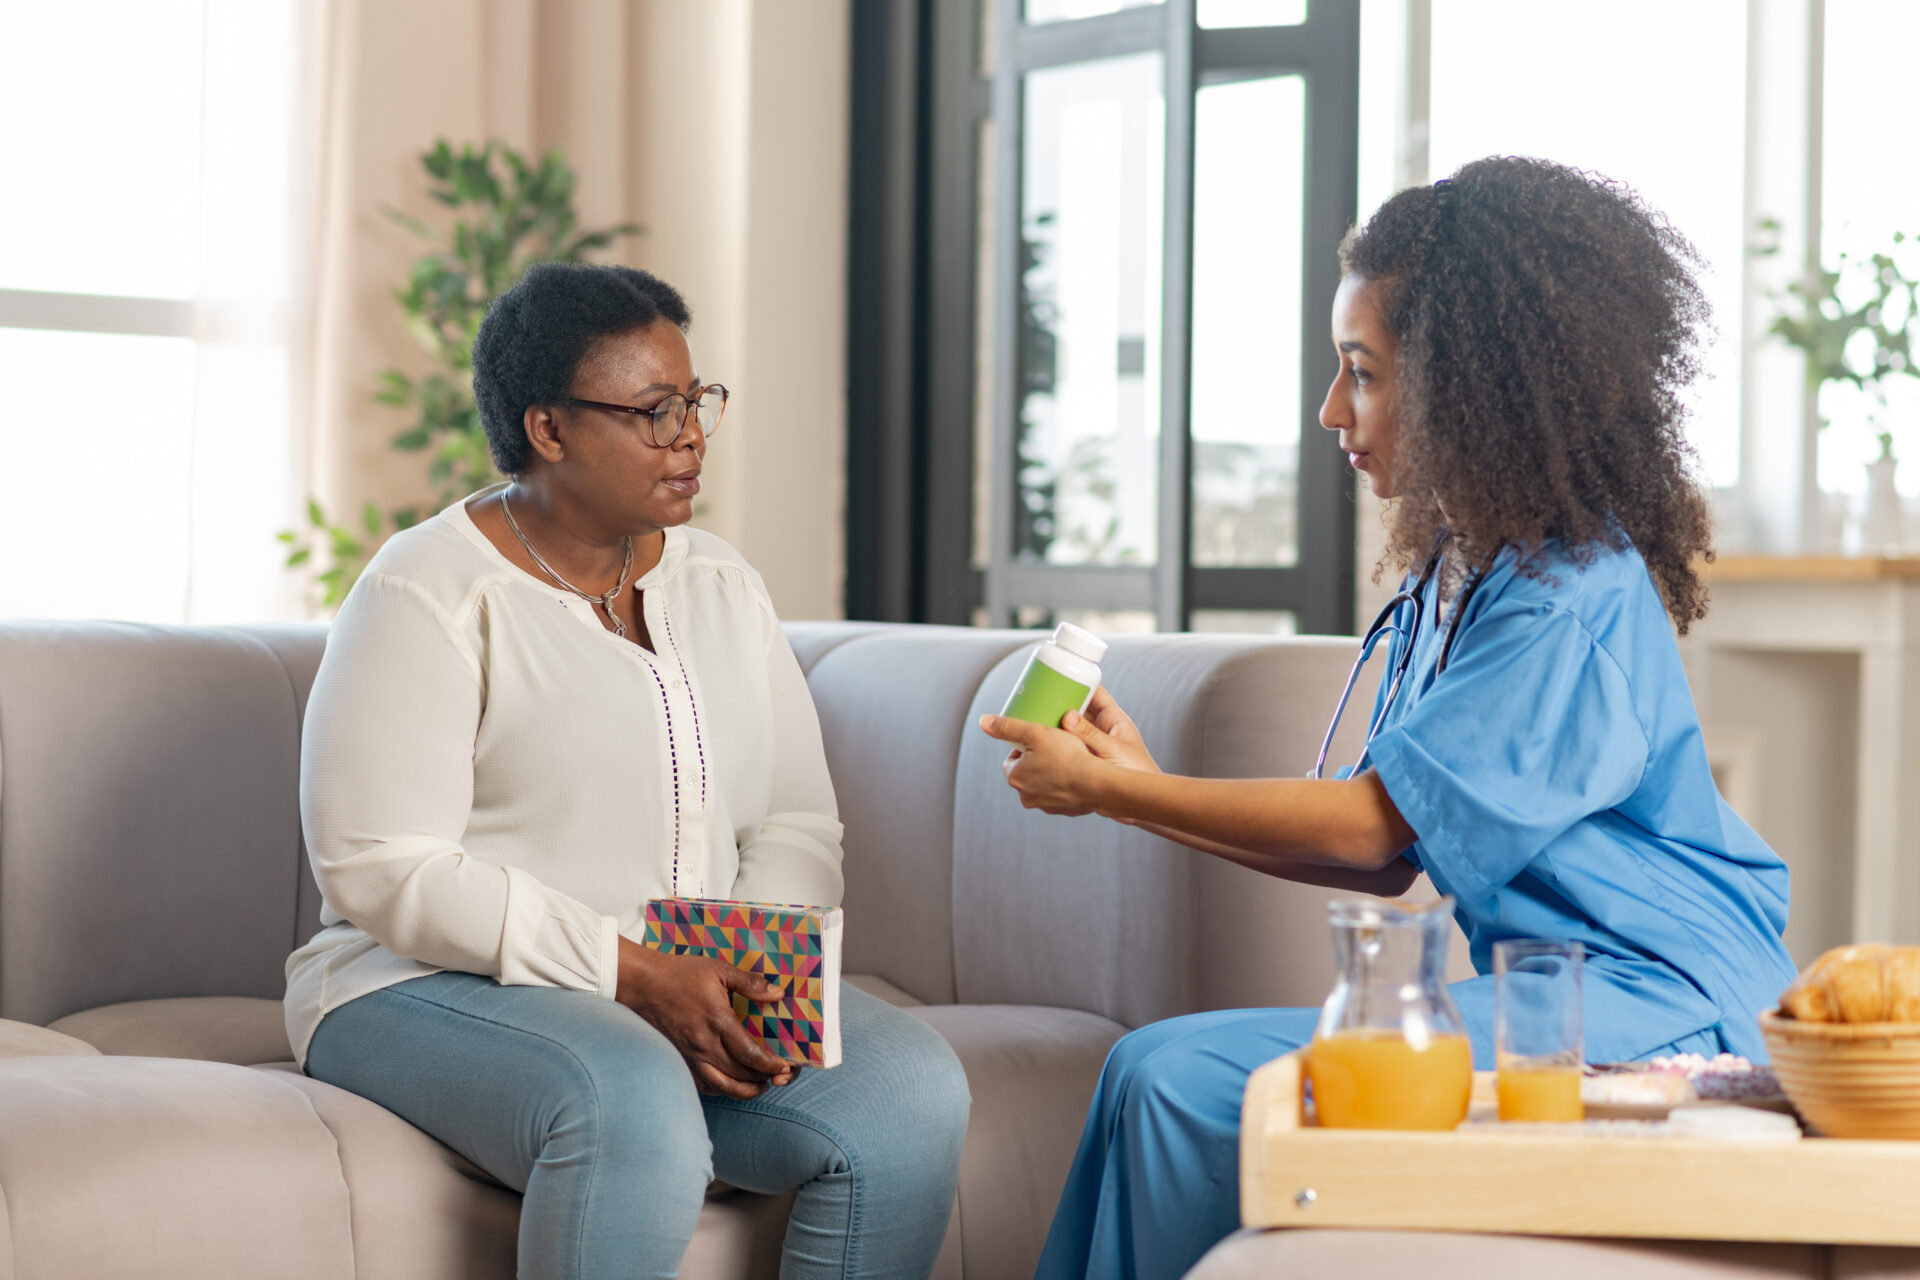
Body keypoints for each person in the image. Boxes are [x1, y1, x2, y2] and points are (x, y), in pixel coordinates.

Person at [979, 156, 1797, 1280]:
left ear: (1473, 384)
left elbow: (1368, 828)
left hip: (1662, 1010)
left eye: (1360, 372)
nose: (1331, 410)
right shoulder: (1471, 569)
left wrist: (1117, 789)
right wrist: (1137, 783)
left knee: (1174, 1080)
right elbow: (1386, 857)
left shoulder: (1568, 599)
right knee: (1144, 1071)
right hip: (1561, 997)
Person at [286, 261, 970, 1280]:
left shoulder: (722, 584)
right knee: (629, 1095)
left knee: (909, 1089)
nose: (690, 435)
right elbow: (384, 867)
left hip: (685, 982)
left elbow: (792, 820)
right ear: (548, 429)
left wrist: (750, 972)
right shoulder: (425, 591)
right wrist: (634, 975)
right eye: (653, 411)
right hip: (418, 985)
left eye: (695, 401)